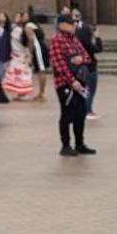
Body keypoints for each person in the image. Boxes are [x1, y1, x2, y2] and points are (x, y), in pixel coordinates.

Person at [49, 10, 95, 157]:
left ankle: (80, 144)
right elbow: (59, 64)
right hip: (65, 84)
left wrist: (80, 59)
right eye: (71, 24)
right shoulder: (57, 40)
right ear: (62, 25)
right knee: (67, 114)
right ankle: (65, 145)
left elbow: (87, 57)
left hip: (80, 84)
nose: (74, 26)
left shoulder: (74, 40)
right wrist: (71, 80)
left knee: (80, 114)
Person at [72, 7, 103, 117]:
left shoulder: (74, 37)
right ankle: (87, 110)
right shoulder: (86, 38)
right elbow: (98, 49)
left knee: (80, 89)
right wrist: (98, 38)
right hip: (89, 67)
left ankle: (80, 109)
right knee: (90, 89)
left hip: (76, 66)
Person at [25, 11, 51, 102]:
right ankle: (41, 92)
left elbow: (31, 39)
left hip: (38, 48)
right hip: (42, 46)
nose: (24, 16)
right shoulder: (36, 25)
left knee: (41, 70)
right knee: (41, 70)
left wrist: (30, 51)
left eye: (25, 15)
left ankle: (42, 93)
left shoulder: (28, 25)